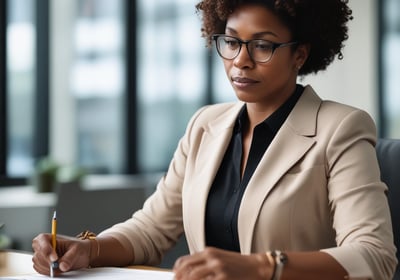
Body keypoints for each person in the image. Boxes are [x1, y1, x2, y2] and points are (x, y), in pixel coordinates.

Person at [32, 0, 397, 279]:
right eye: (232, 42)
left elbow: (374, 256)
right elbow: (151, 230)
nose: (241, 61)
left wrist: (261, 267)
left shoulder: (341, 127)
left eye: (263, 46)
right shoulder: (204, 125)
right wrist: (89, 249)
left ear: (299, 55)